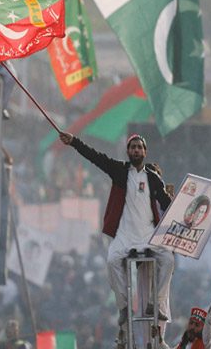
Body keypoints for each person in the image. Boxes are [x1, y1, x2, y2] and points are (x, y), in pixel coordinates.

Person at [59, 132, 174, 323]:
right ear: (128, 151)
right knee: (112, 261)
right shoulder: (119, 170)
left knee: (168, 259)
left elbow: (168, 203)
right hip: (125, 235)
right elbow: (94, 156)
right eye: (133, 147)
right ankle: (124, 307)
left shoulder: (153, 178)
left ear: (145, 151)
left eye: (139, 147)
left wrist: (186, 213)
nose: (136, 150)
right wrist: (74, 142)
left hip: (148, 235)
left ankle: (154, 303)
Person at [155, 273, 211, 349]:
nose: (192, 327)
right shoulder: (183, 344)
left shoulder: (205, 341)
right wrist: (160, 339)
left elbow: (210, 319)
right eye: (191, 323)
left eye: (197, 325)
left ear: (203, 330)